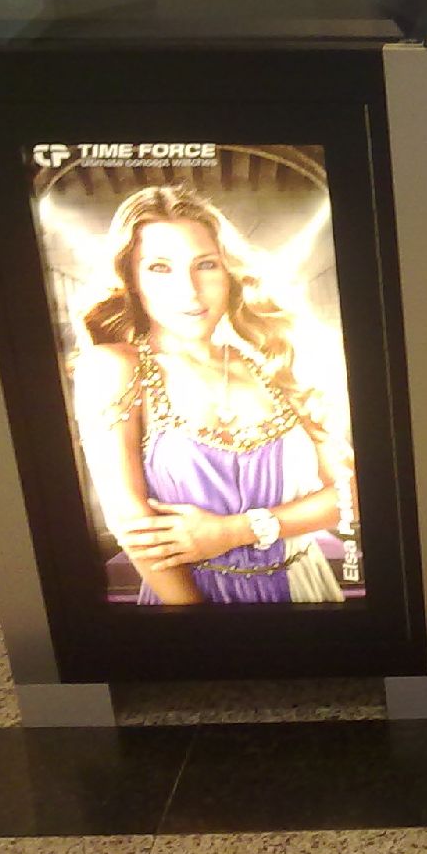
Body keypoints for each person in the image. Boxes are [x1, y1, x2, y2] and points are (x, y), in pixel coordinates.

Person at [70, 185, 353, 605]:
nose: (189, 290)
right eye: (160, 268)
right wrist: (205, 631)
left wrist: (235, 531)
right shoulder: (113, 367)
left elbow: (350, 494)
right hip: (188, 603)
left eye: (205, 264)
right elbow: (132, 523)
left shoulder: (277, 363)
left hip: (307, 590)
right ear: (131, 279)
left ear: (230, 273)